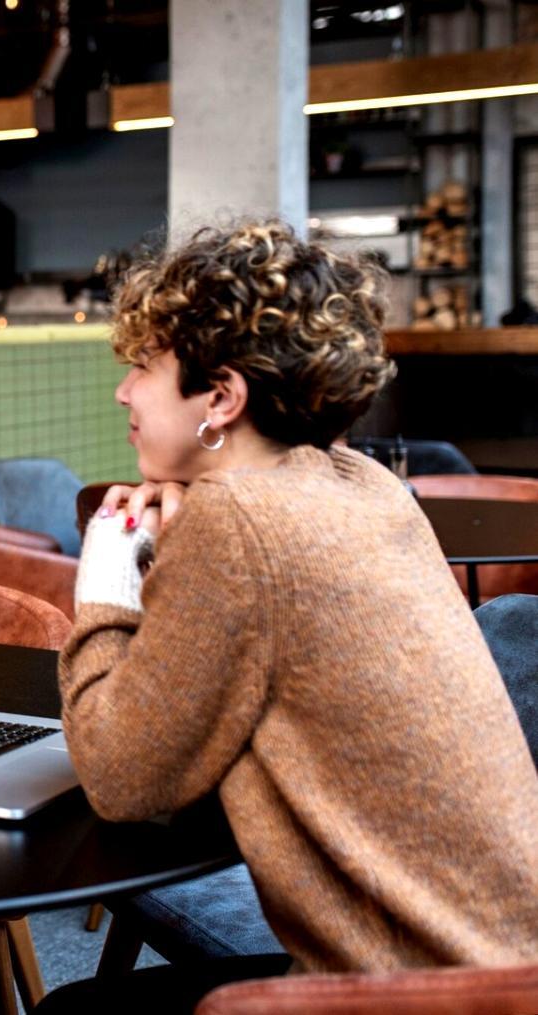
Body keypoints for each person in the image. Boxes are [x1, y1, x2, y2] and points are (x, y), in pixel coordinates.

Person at [41, 222, 538, 1011]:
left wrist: (107, 574)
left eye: (143, 365)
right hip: (508, 970)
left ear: (221, 398)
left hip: (408, 994)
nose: (123, 390)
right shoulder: (360, 482)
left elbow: (119, 777)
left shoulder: (238, 524)